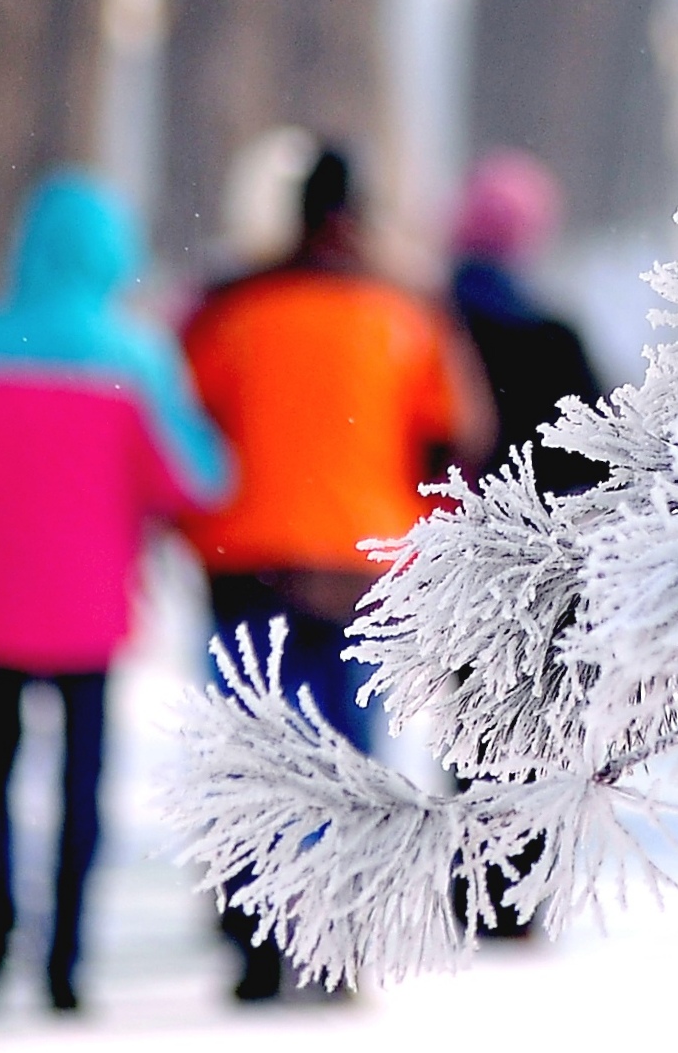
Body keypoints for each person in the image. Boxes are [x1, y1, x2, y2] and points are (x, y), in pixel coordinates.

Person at [0, 171, 230, 1017]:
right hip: (90, 607)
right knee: (80, 784)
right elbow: (196, 480)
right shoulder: (135, 361)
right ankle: (66, 955)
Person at [180, 142, 493, 1001]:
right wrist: (428, 530)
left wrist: (193, 523)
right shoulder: (404, 307)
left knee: (252, 744)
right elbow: (461, 430)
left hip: (250, 559)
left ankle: (253, 932)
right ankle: (343, 936)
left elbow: (187, 423)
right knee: (353, 750)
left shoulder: (232, 309)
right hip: (366, 562)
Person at [447, 151, 605, 496]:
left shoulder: (420, 324)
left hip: (421, 532)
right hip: (526, 533)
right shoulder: (554, 343)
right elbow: (599, 454)